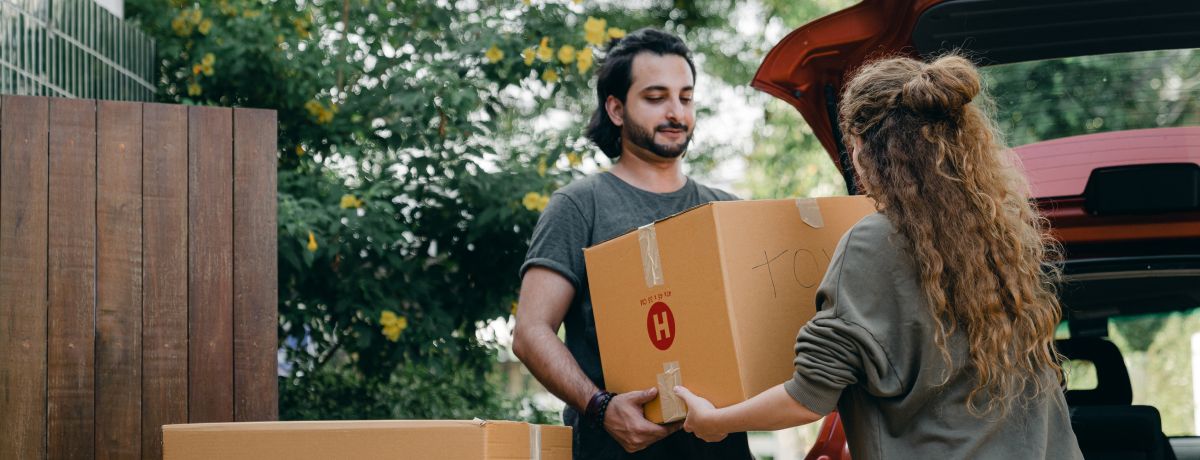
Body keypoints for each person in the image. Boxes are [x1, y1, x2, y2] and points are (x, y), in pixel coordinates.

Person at [673, 54, 1084, 459]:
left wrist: (716, 421)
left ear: (867, 151)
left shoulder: (874, 241)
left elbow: (808, 398)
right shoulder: (1000, 233)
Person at [512, 28, 753, 460]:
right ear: (617, 109)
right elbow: (530, 333)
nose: (676, 112)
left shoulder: (727, 210)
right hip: (616, 449)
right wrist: (601, 408)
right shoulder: (579, 206)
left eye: (685, 96)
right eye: (656, 97)